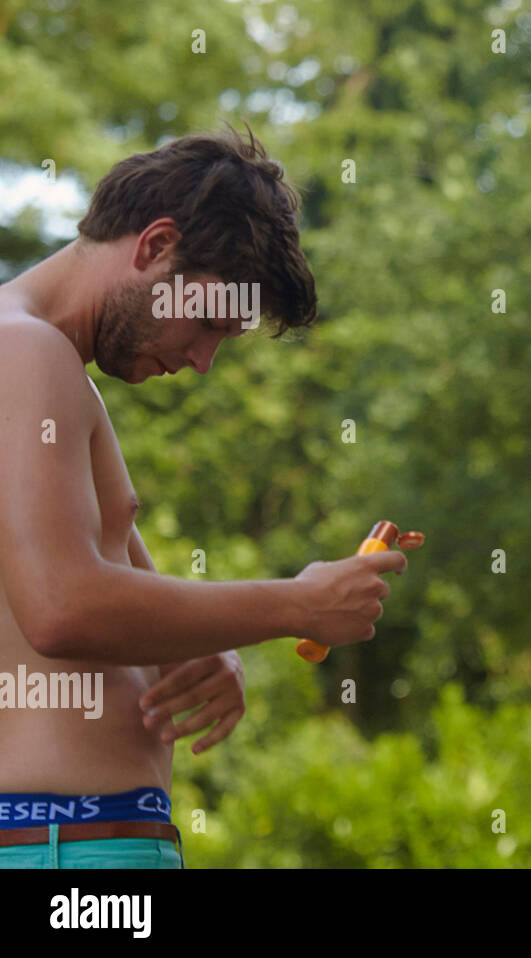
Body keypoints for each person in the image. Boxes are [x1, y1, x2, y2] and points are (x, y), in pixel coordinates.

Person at [0, 126, 408, 869]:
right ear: (156, 246)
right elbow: (61, 607)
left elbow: (119, 601)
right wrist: (296, 605)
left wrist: (205, 643)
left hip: (78, 843)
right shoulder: (22, 352)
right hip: (58, 848)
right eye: (209, 323)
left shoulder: (52, 369)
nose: (202, 360)